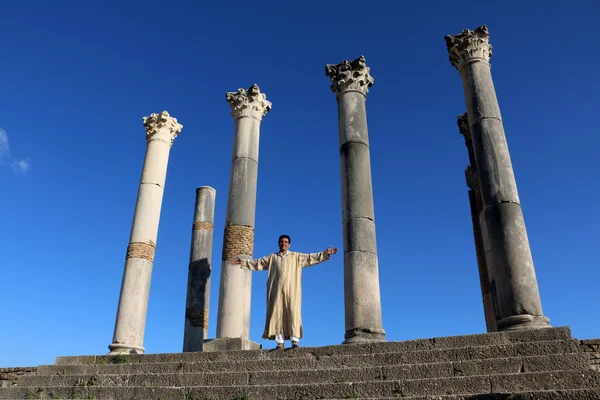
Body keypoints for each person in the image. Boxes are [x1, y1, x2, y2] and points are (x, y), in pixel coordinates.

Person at [232, 234, 338, 349]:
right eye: (282, 242)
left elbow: (310, 258)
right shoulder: (272, 257)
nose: (284, 243)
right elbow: (258, 263)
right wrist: (243, 262)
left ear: (289, 244)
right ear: (279, 244)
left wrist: (325, 253)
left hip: (292, 291)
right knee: (277, 314)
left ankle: (295, 340)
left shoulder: (296, 256)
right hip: (276, 290)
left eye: (286, 242)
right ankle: (280, 342)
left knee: (293, 312)